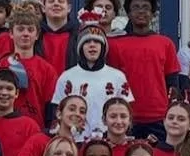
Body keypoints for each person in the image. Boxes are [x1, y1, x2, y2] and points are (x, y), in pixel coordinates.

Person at [106, 0, 181, 137]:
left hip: (159, 117)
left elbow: (172, 83)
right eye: (136, 7)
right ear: (128, 13)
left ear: (153, 13)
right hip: (125, 116)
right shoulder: (114, 44)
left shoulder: (165, 43)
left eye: (146, 8)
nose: (141, 11)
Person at [51, 10, 133, 138]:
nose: (92, 46)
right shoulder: (67, 77)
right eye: (87, 42)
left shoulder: (117, 77)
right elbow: (56, 113)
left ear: (103, 47)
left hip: (107, 143)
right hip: (74, 141)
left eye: (97, 42)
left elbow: (126, 112)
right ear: (80, 47)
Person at [0, 2, 56, 127]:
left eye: (30, 30)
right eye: (20, 29)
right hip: (2, 127)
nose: (25, 34)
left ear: (37, 35)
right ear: (11, 33)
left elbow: (51, 108)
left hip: (35, 129)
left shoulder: (47, 69)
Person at [37, 0, 78, 76]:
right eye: (51, 1)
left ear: (68, 8)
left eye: (61, 1)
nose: (56, 4)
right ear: (43, 8)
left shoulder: (80, 35)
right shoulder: (34, 36)